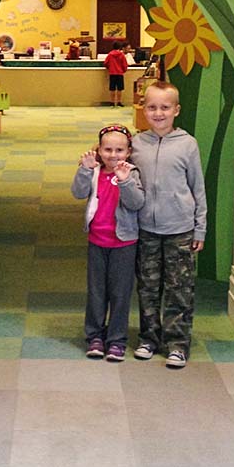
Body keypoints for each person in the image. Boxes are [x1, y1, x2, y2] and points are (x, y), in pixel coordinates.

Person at [129, 81, 206, 369]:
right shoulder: (136, 144)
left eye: (164, 107)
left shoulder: (188, 144)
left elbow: (198, 188)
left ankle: (177, 343)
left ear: (176, 110)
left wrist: (200, 228)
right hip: (145, 230)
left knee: (180, 288)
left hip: (180, 230)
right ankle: (149, 338)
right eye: (152, 107)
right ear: (143, 108)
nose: (158, 113)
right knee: (148, 287)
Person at [71, 124, 145, 362]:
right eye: (108, 150)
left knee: (120, 293)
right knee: (96, 291)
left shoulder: (131, 173)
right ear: (99, 150)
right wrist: (84, 170)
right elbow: (78, 192)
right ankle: (94, 335)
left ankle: (116, 339)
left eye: (119, 150)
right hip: (97, 241)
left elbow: (136, 203)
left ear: (128, 151)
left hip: (124, 243)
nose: (114, 155)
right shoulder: (94, 172)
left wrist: (124, 181)